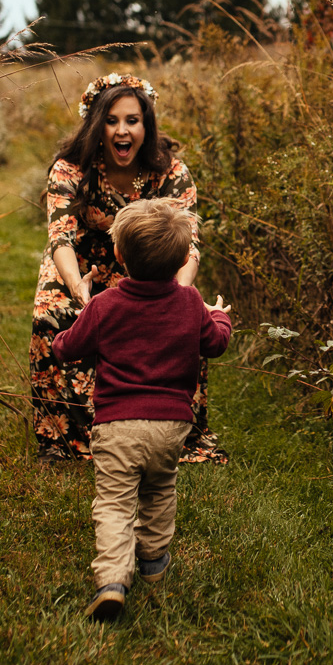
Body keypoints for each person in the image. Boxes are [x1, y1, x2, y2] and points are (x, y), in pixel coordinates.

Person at [29, 72, 227, 463]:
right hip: (80, 266)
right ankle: (63, 437)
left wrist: (185, 296)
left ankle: (176, 428)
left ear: (146, 124)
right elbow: (60, 238)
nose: (122, 131)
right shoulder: (70, 169)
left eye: (132, 120)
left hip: (147, 266)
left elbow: (188, 244)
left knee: (187, 317)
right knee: (49, 315)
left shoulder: (171, 173)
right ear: (96, 124)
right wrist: (77, 288)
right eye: (112, 120)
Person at [52, 198, 233, 620]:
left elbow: (69, 348)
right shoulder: (190, 303)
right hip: (171, 427)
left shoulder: (104, 306)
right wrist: (220, 316)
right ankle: (152, 563)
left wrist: (64, 334)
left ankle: (113, 580)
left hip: (117, 426)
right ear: (182, 259)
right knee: (158, 489)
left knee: (115, 503)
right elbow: (216, 343)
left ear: (119, 254)